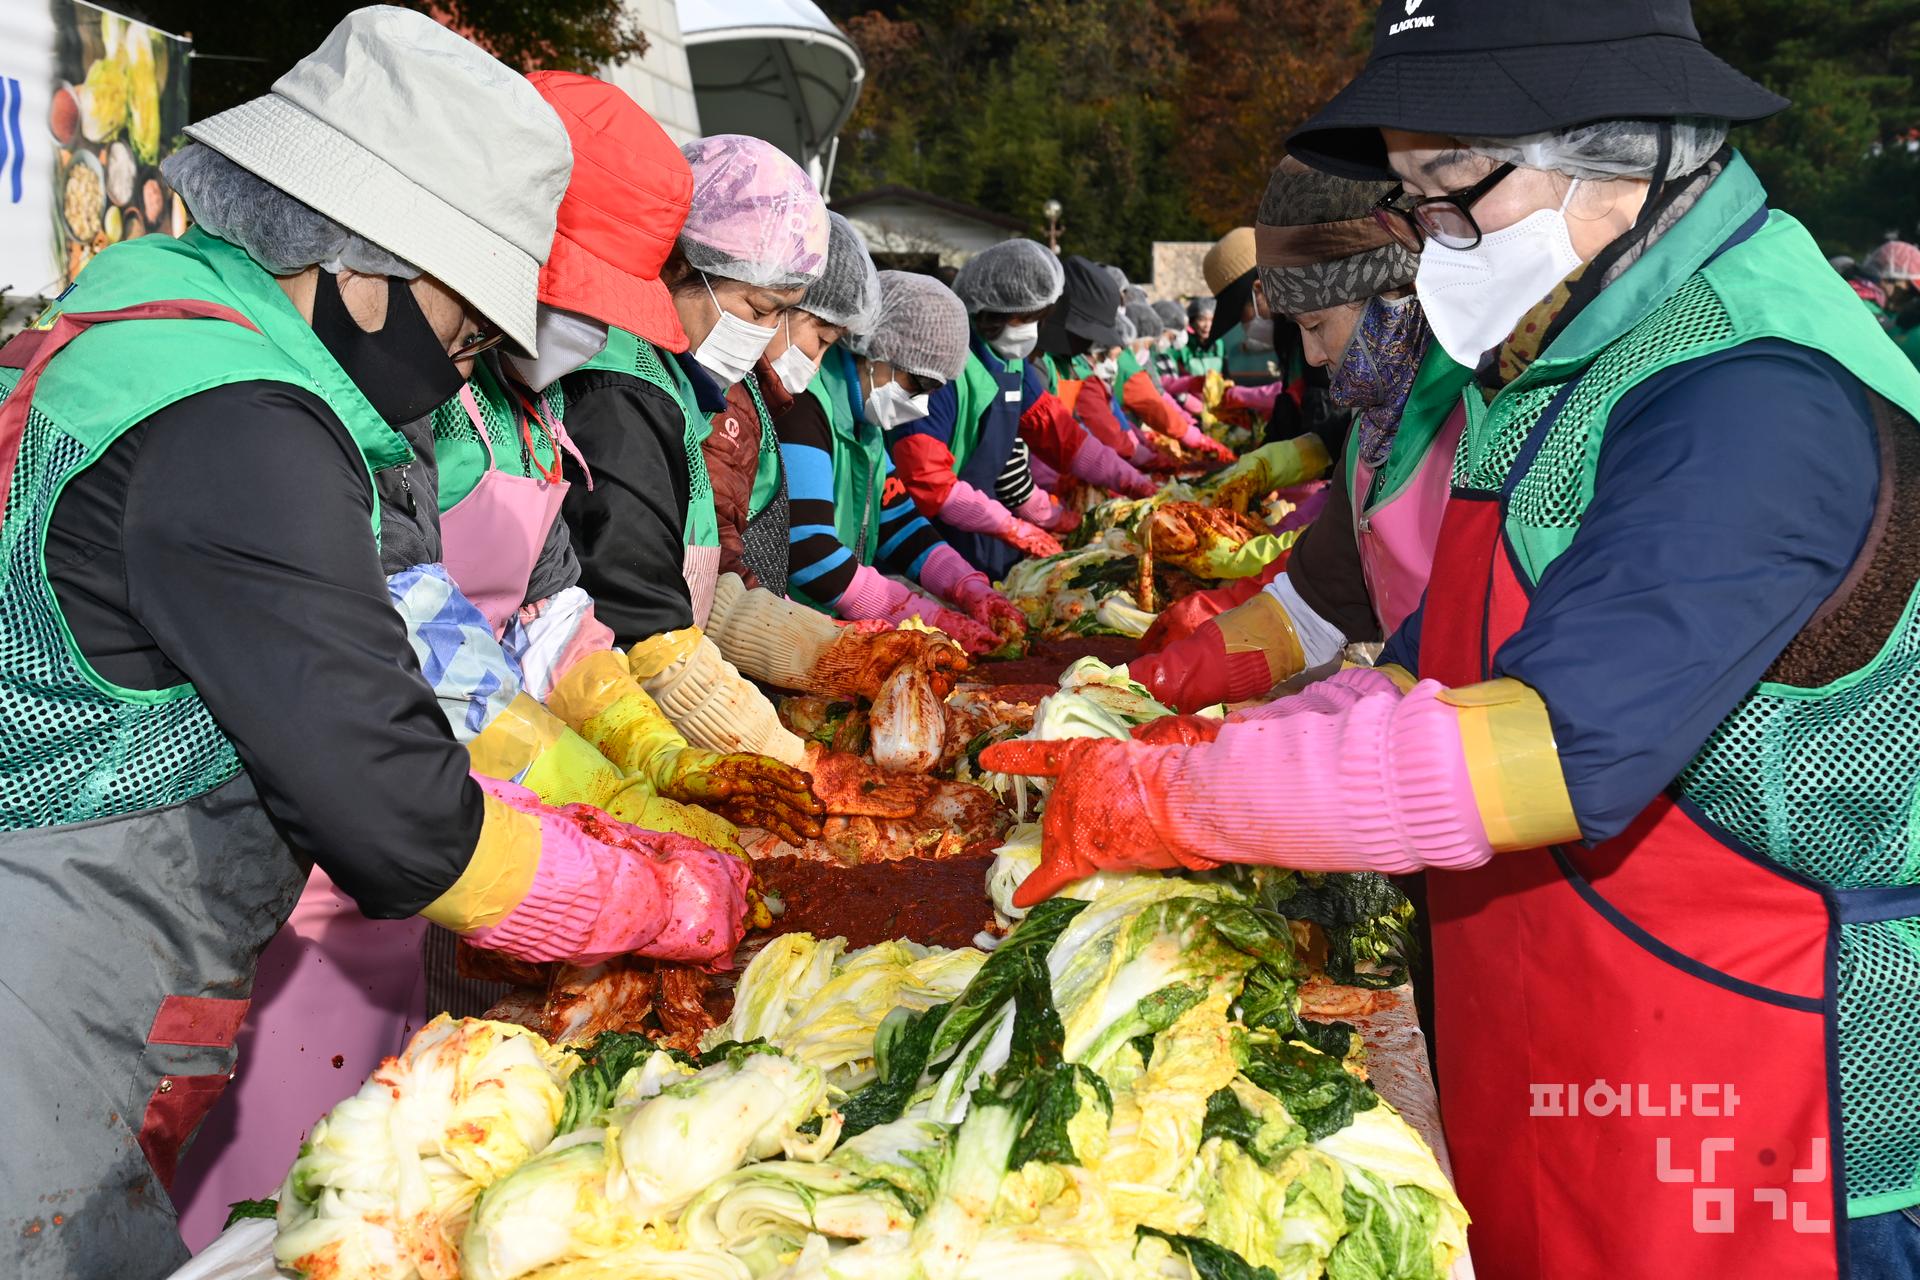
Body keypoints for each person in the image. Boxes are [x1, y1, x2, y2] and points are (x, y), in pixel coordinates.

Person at [989, 3, 1920, 1277]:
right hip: (1572, 1045)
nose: (1432, 245)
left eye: (1453, 194)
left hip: (1772, 1107)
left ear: (1627, 153)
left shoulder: (1754, 395)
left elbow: (1535, 752)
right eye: (1414, 203)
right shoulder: (1579, 359)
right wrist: (1219, 726)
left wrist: (1174, 793)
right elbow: (1436, 656)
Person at [0, 12, 754, 1276]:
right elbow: (400, 814)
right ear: (360, 259)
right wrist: (663, 893)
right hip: (47, 993)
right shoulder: (239, 427)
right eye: (469, 318)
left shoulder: (169, 333)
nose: (476, 358)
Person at [1129, 157, 1456, 712]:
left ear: (1392, 295)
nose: (1311, 354)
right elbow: (1312, 607)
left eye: (1316, 326)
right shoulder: (1370, 432)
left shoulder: (1483, 416)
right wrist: (1157, 682)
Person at [562, 133, 828, 766]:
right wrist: (784, 758)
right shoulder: (621, 390)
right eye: (757, 308)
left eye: (781, 316)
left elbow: (696, 592)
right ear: (683, 265)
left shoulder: (683, 388)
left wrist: (830, 652)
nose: (765, 337)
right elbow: (642, 618)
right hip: (604, 729)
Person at [758, 265, 1016, 649]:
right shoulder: (805, 407)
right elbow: (809, 548)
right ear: (875, 352)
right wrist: (917, 612)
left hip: (825, 627)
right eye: (917, 384)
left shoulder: (864, 423)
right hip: (783, 629)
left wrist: (968, 586)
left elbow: (898, 522)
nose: (922, 405)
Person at [890, 240, 1157, 579]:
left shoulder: (1013, 365)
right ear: (988, 311)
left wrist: (1133, 481)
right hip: (930, 534)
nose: (1030, 331)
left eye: (1038, 319)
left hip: (984, 524)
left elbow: (1062, 435)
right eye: (1023, 318)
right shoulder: (945, 363)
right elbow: (927, 480)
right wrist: (1012, 526)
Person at [1865, 240, 1920, 370]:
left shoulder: (1891, 314)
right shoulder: (1863, 307)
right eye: (1910, 290)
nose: (1910, 298)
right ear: (1886, 279)